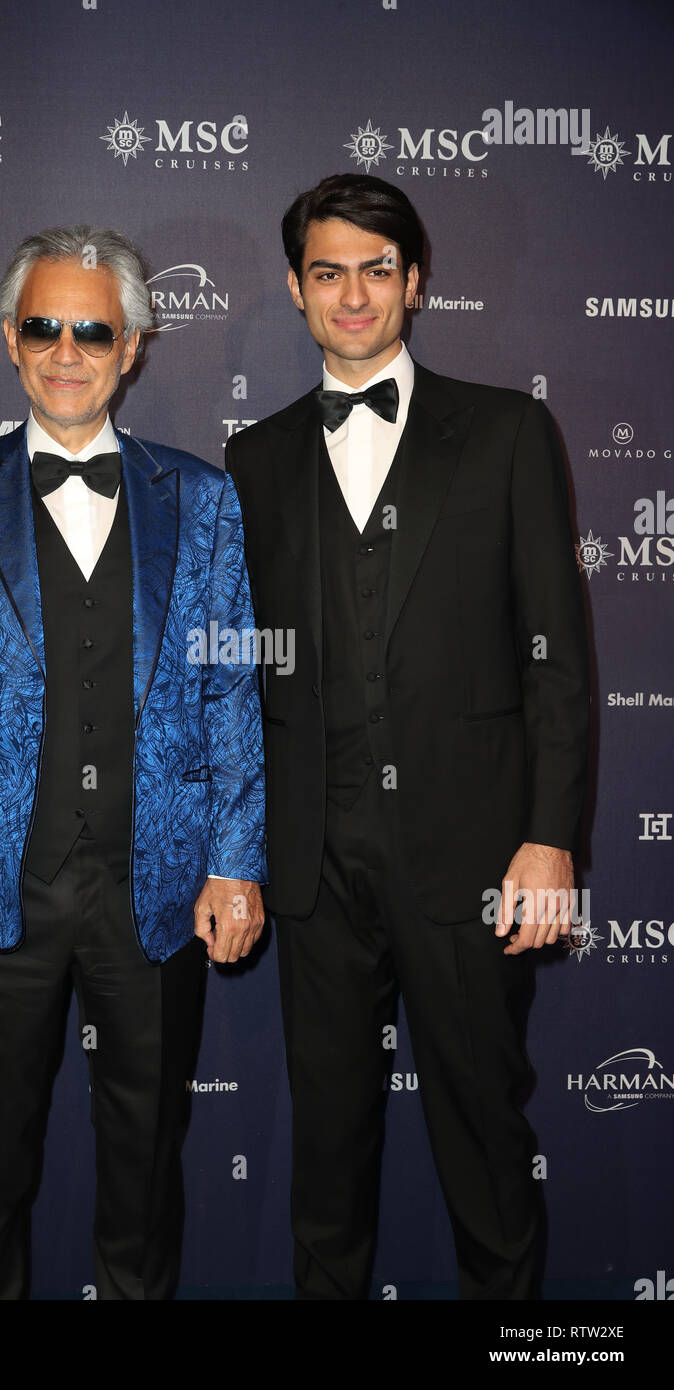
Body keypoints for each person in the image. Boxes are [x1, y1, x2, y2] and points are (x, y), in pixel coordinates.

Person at [0, 224, 266, 1300]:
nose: (66, 349)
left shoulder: (201, 498)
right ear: (8, 337)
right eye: (42, 325)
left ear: (131, 345)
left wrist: (236, 860)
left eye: (93, 328)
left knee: (145, 1170)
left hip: (156, 886)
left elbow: (231, 685)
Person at [225, 174, 589, 1300]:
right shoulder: (253, 461)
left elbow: (559, 658)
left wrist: (547, 840)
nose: (352, 294)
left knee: (486, 1155)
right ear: (293, 288)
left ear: (414, 281)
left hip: (474, 858)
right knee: (325, 1173)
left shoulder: (507, 432)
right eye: (326, 271)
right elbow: (236, 675)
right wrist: (233, 850)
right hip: (315, 867)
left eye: (375, 269)